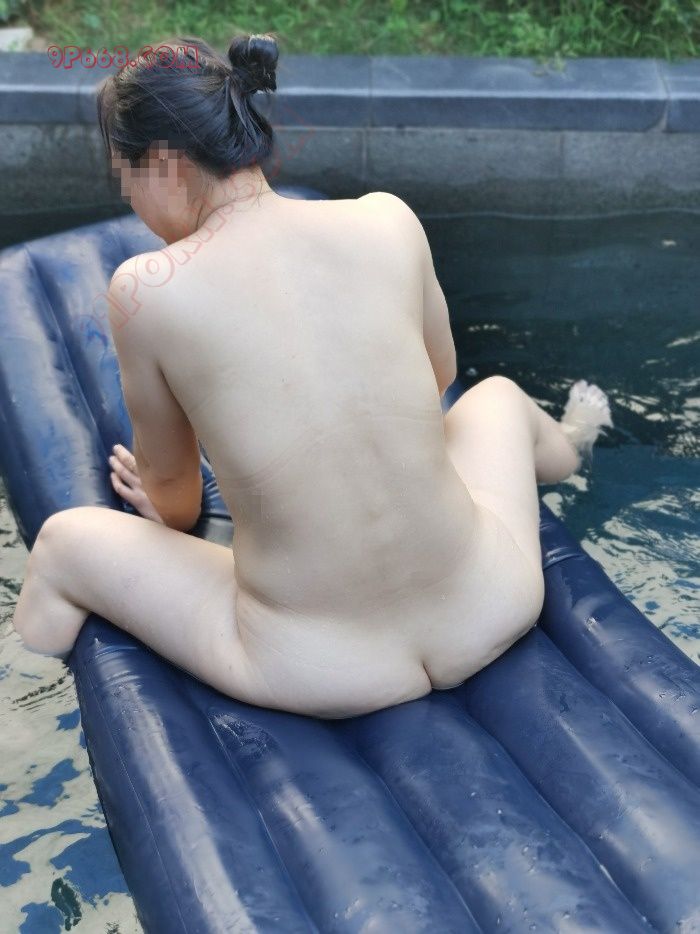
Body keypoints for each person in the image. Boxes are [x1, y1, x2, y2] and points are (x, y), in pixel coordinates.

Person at [11, 33, 613, 719]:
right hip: (492, 602)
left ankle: (39, 712)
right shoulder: (386, 219)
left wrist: (169, 501)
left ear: (163, 165)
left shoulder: (144, 291)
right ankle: (574, 447)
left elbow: (177, 506)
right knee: (496, 398)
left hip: (314, 665)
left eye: (125, 175)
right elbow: (438, 379)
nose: (131, 202)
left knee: (61, 547)